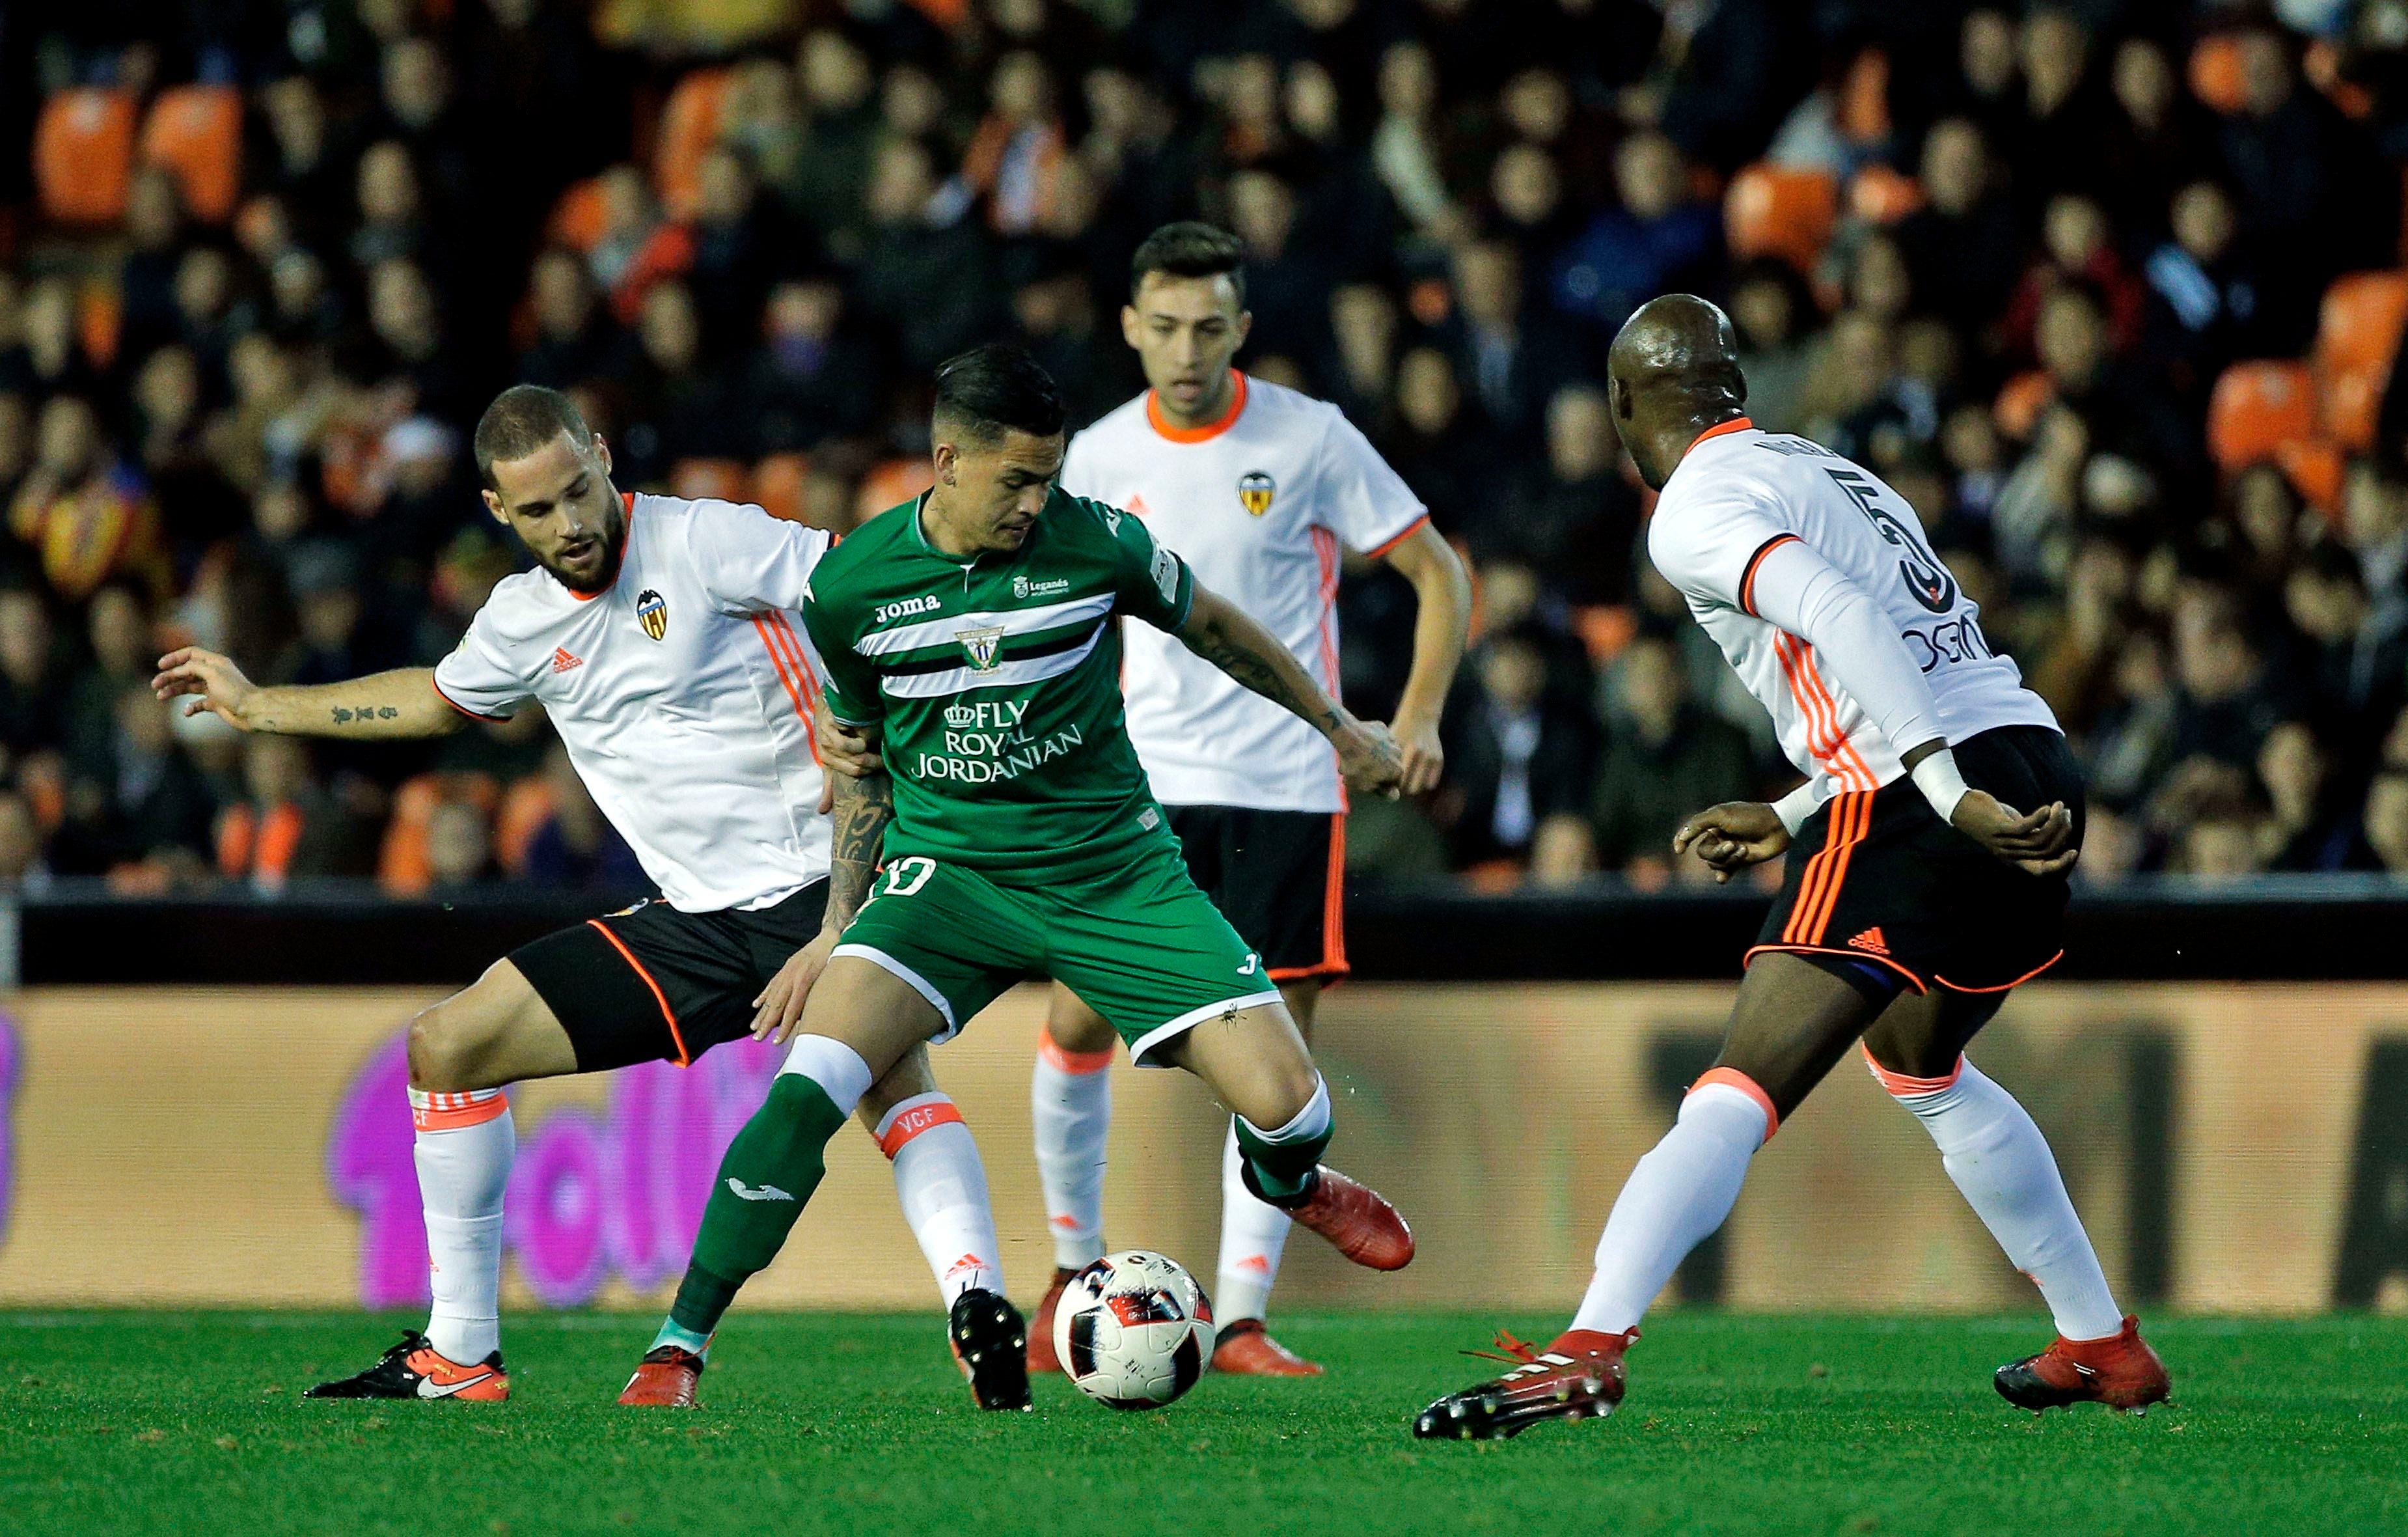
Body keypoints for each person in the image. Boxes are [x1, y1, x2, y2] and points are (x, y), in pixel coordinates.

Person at [153, 385, 1011, 1406]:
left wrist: (881, 720)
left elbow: (869, 585)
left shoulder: (705, 540)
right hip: (693, 922)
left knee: (888, 1079)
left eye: (580, 490)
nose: (572, 523)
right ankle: (461, 1351)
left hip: (831, 883)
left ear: (604, 456)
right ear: (496, 512)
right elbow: (434, 699)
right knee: (449, 1044)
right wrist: (261, 706)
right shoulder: (518, 622)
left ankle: (980, 1309)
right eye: (540, 510)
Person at [1415, 296, 2170, 1440]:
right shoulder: (1827, 467)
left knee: (1738, 1087)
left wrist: (1939, 787)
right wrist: (1798, 801)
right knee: (1921, 1061)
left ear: (1626, 406)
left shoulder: (1690, 508)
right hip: (2030, 753)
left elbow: (1836, 611)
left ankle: (1587, 1347)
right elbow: (1910, 648)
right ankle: (2103, 1342)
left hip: (1929, 793)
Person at [616, 345, 1417, 1409]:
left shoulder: (1097, 543)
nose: (1038, 503)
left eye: (1050, 477)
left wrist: (1336, 726)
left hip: (1115, 876)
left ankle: (1296, 1181)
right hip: (948, 880)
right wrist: (840, 926)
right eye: (1019, 480)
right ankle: (678, 1345)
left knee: (1290, 1104)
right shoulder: (851, 588)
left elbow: (1215, 624)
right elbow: (856, 766)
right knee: (810, 1087)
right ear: (946, 459)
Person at [1024, 222, 1468, 1376]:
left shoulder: (1310, 436)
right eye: (1164, 326)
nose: (1186, 348)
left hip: (1284, 787)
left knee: (1282, 1051)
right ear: (1128, 326)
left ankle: (1241, 1320)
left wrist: (1414, 716)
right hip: (1141, 788)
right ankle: (1069, 1272)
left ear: (1242, 329)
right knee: (1075, 1017)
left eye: (1209, 326)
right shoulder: (1099, 453)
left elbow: (1439, 571)